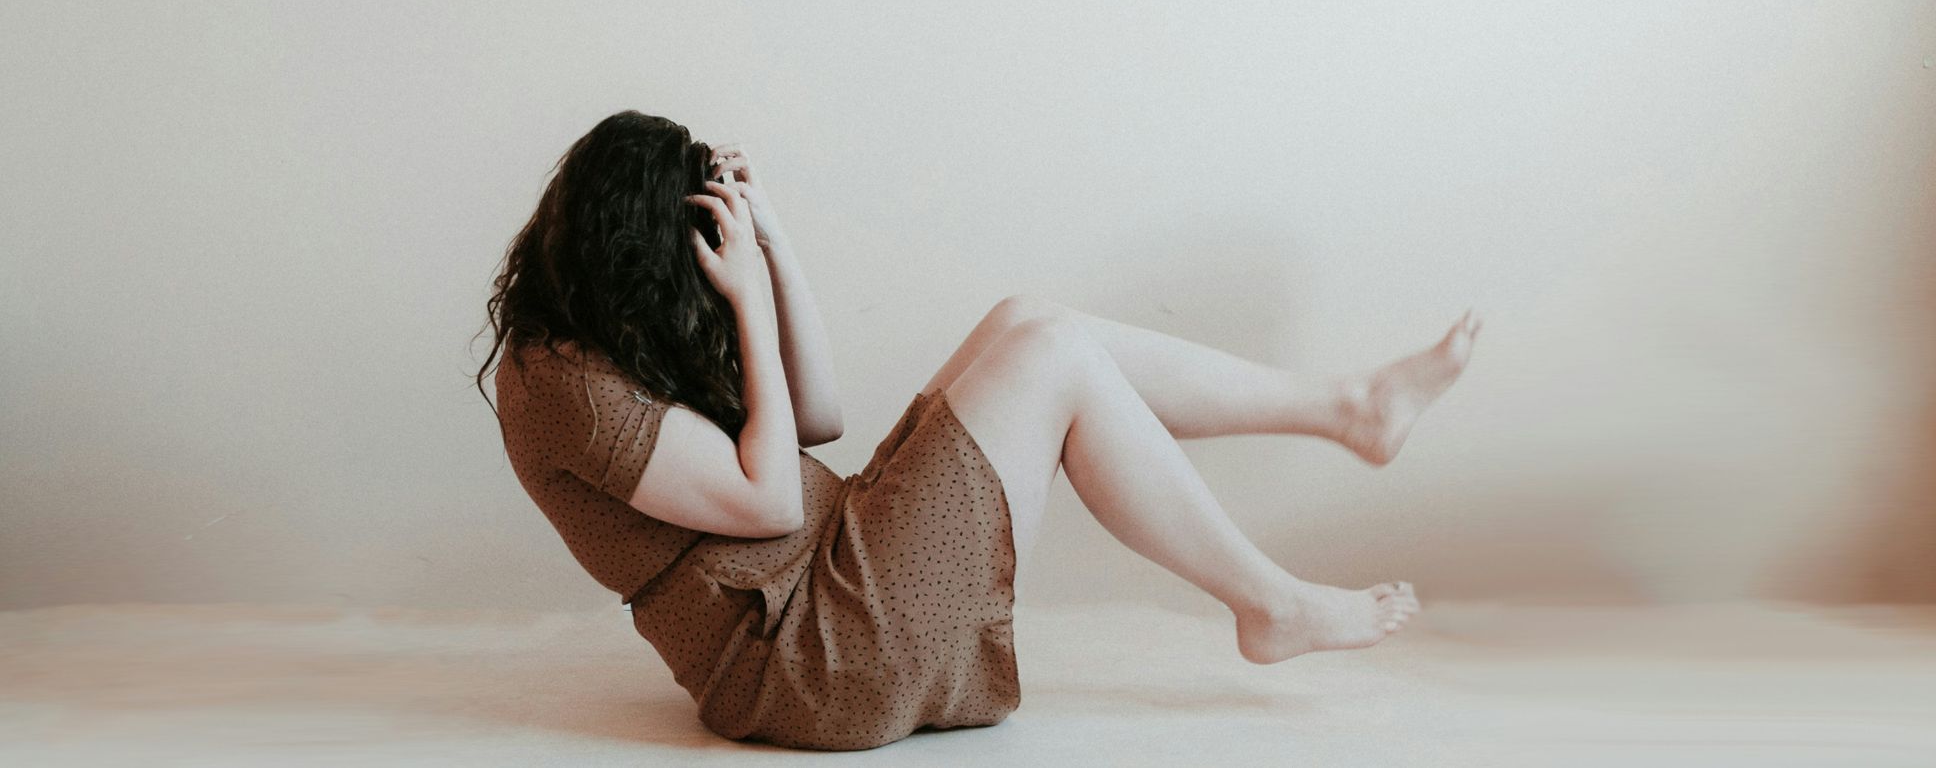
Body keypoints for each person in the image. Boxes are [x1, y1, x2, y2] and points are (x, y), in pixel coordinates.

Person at [475, 109, 1476, 751]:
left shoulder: (609, 334)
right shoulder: (561, 383)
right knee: (1045, 350)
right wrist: (739, 304)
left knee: (1029, 323)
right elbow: (771, 495)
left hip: (834, 574)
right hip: (810, 662)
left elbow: (815, 418)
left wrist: (771, 244)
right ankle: (1272, 598)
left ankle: (1344, 410)